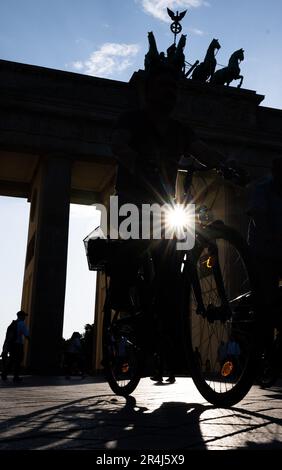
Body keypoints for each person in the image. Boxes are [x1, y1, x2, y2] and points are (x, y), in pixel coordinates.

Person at [111, 55, 230, 385]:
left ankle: (166, 324)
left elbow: (202, 149)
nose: (171, 92)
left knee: (171, 270)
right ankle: (120, 295)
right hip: (133, 198)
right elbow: (118, 144)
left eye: (175, 87)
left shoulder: (180, 130)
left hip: (165, 203)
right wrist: (134, 160)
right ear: (149, 90)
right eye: (164, 85)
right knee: (131, 244)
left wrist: (227, 165)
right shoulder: (131, 119)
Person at [247, 157, 282, 324]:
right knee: (266, 298)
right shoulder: (262, 189)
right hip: (264, 253)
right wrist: (270, 236)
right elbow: (258, 217)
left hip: (274, 250)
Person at [1, 310, 30, 383]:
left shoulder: (13, 323)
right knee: (18, 360)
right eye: (24, 316)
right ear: (21, 316)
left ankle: (4, 374)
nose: (25, 317)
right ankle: (15, 377)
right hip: (18, 345)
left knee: (11, 360)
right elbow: (26, 335)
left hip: (12, 345)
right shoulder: (21, 324)